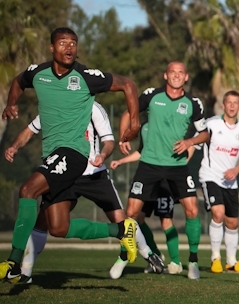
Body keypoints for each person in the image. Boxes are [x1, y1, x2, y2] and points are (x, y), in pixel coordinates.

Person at [0, 27, 140, 283]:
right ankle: (121, 228)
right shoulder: (38, 73)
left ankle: (14, 263)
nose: (69, 47)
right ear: (52, 48)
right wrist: (11, 103)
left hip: (73, 153)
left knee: (27, 190)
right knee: (58, 227)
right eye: (63, 42)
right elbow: (19, 81)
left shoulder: (86, 76)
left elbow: (128, 85)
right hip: (53, 156)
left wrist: (134, 123)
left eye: (73, 43)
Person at [4, 102, 164, 282]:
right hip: (65, 173)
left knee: (123, 220)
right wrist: (14, 146)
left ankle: (148, 254)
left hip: (93, 174)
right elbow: (30, 130)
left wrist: (102, 156)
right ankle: (25, 272)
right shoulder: (54, 104)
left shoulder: (93, 107)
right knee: (46, 222)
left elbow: (109, 141)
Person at [118, 61, 209, 280]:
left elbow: (205, 134)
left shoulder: (193, 103)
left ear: (186, 77)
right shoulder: (151, 96)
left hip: (177, 166)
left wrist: (190, 142)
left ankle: (193, 261)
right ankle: (123, 256)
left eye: (180, 73)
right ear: (165, 75)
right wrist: (123, 136)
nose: (176, 75)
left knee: (192, 210)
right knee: (130, 213)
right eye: (172, 72)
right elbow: (127, 113)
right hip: (149, 164)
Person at [110, 123, 187, 276]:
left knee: (166, 221)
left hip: (165, 180)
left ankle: (176, 262)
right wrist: (121, 161)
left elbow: (186, 148)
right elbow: (141, 152)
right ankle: (155, 255)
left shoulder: (174, 126)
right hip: (148, 179)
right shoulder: (145, 128)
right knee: (136, 218)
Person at [199, 90, 239, 274]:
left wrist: (236, 170)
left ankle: (231, 261)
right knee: (218, 213)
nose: (231, 105)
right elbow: (196, 143)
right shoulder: (211, 124)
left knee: (232, 223)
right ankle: (215, 258)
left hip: (231, 183)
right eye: (228, 102)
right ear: (223, 105)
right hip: (210, 176)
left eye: (235, 102)